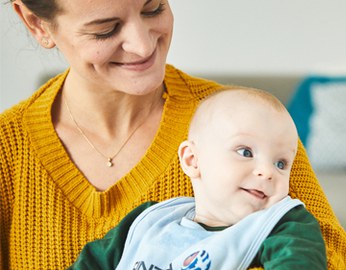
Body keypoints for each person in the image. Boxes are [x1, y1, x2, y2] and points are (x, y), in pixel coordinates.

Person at [0, 0, 346, 269]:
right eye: (105, 29)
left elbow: (336, 260)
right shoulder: (7, 149)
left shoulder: (250, 126)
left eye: (153, 7)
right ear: (37, 24)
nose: (143, 46)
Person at [69, 88, 327, 270]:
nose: (267, 171)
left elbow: (299, 261)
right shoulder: (151, 220)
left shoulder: (282, 224)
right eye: (245, 152)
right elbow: (91, 262)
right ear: (192, 160)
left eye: (281, 163)